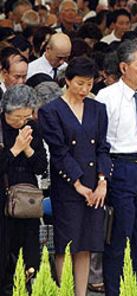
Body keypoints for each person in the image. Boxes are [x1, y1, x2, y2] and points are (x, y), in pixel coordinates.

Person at [38, 56, 112, 296]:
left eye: (89, 84)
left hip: (94, 184)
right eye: (80, 83)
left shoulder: (98, 108)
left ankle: (81, 293)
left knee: (87, 244)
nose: (84, 89)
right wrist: (78, 183)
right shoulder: (51, 110)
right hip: (68, 185)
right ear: (67, 80)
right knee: (66, 243)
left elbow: (102, 147)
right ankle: (64, 292)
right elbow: (58, 151)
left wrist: (102, 181)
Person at [96, 39, 137, 296]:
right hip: (119, 166)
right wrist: (104, 176)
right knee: (120, 235)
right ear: (124, 67)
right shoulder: (107, 96)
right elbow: (101, 142)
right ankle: (115, 290)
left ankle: (135, 287)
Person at [0, 85, 47, 294]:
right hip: (3, 194)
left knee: (28, 247)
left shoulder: (32, 128)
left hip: (27, 197)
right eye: (17, 117)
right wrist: (15, 149)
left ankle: (26, 284)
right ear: (6, 111)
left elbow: (41, 166)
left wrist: (27, 148)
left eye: (26, 117)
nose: (22, 122)